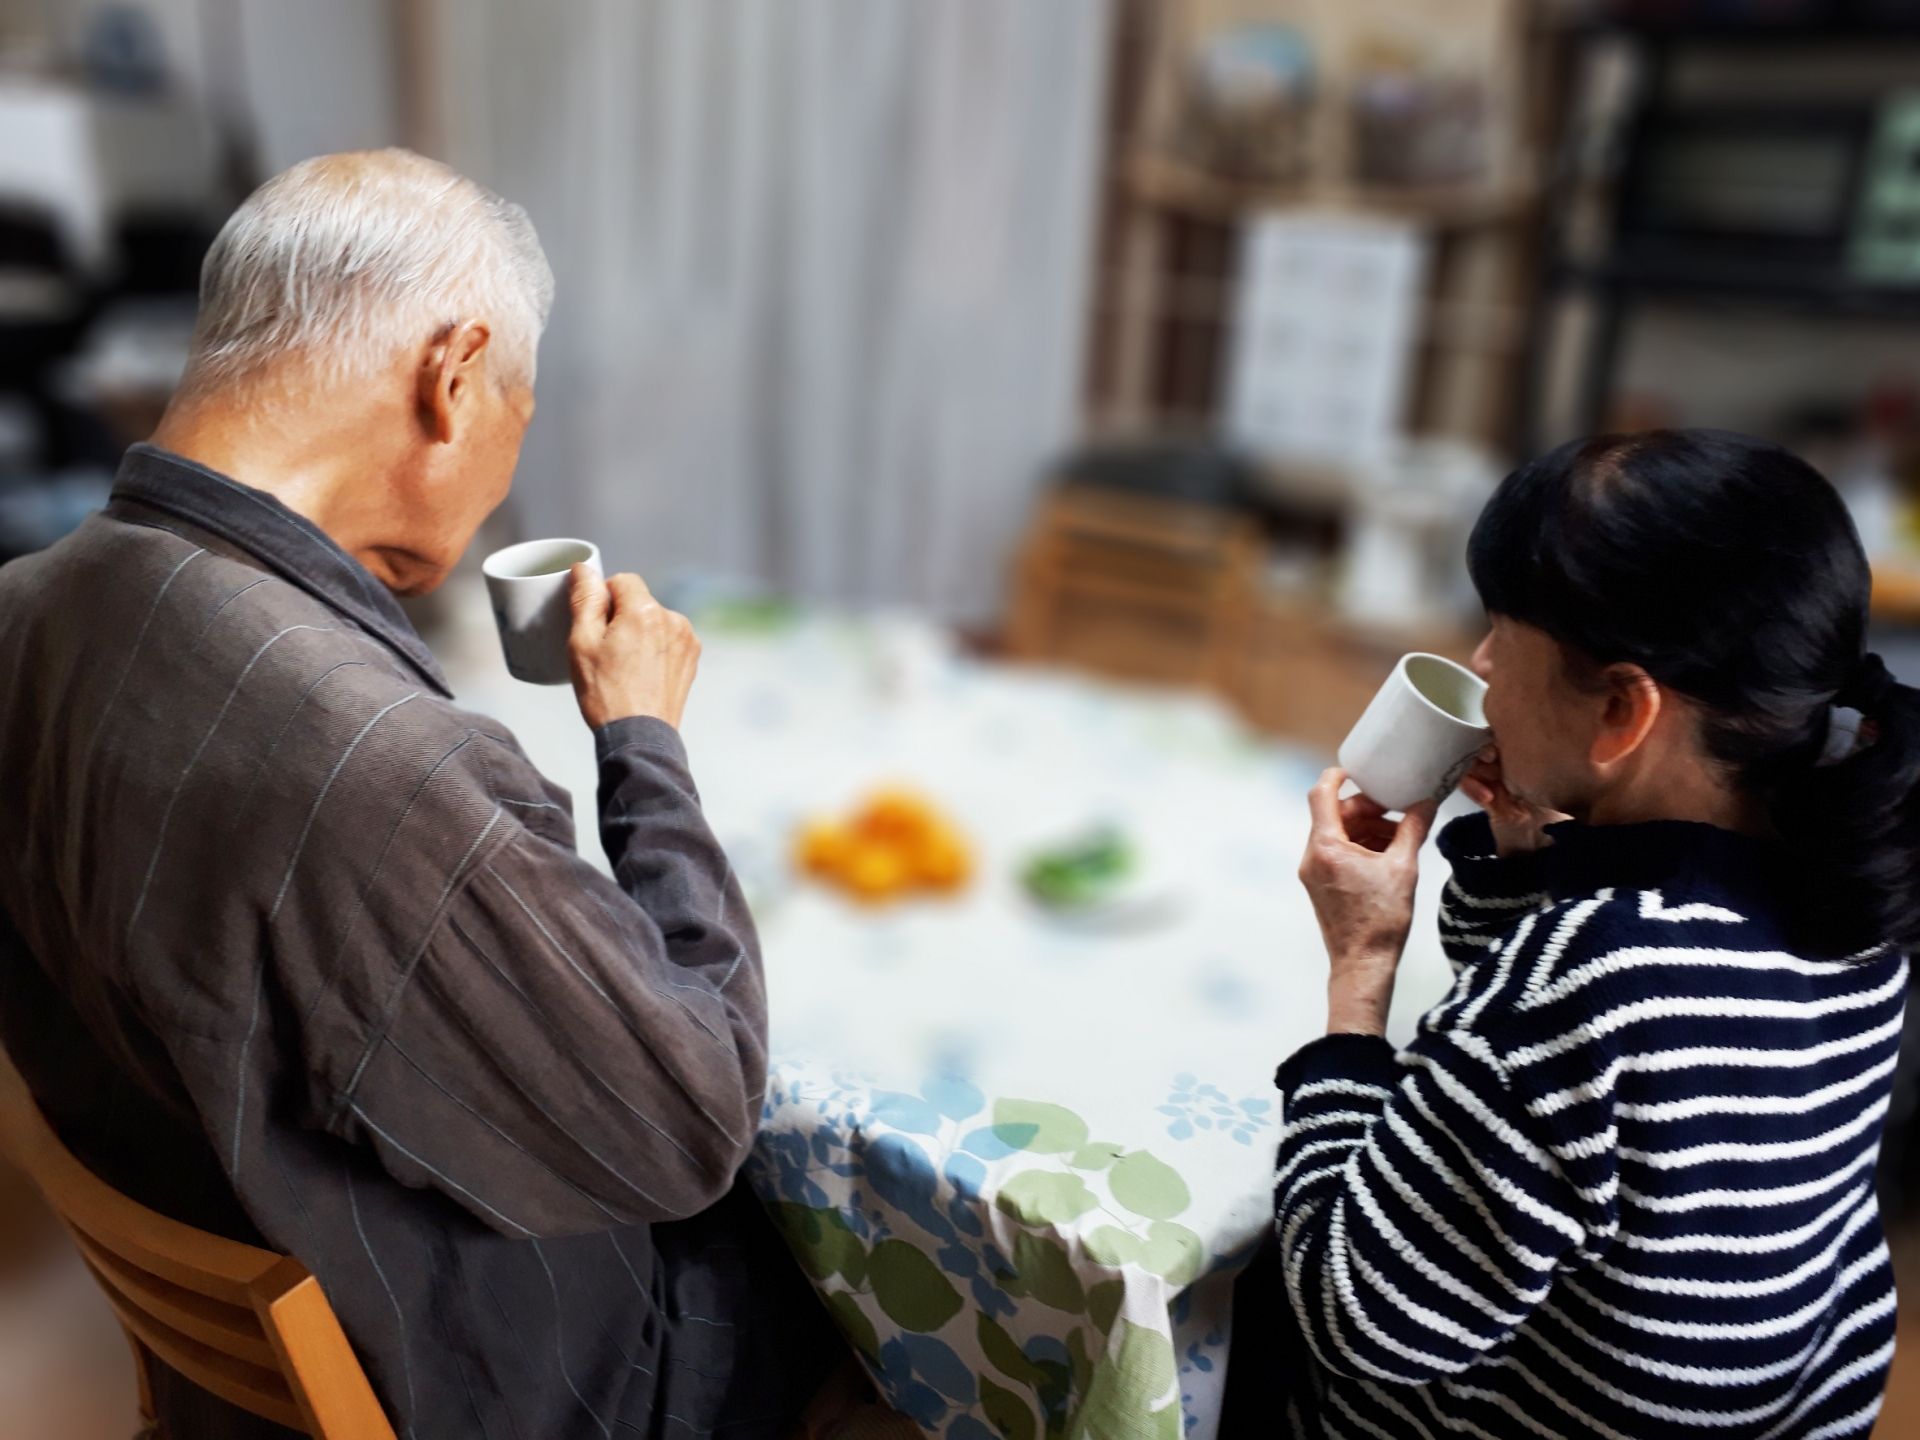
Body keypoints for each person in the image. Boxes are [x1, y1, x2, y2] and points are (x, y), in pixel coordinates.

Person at [0, 150, 848, 1439]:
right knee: (832, 1252)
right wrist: (642, 741)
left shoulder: (22, 609)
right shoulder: (382, 765)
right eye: (521, 408)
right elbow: (692, 1120)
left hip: (242, 1298)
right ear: (452, 379)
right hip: (487, 1370)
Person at [1225, 430, 1913, 1438]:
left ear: (1624, 712)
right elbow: (1558, 1093)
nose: (1481, 661)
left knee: (1247, 1292)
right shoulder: (1854, 890)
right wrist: (1522, 857)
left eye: (1506, 631)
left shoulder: (1593, 978)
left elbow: (1359, 1311)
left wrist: (1359, 973)